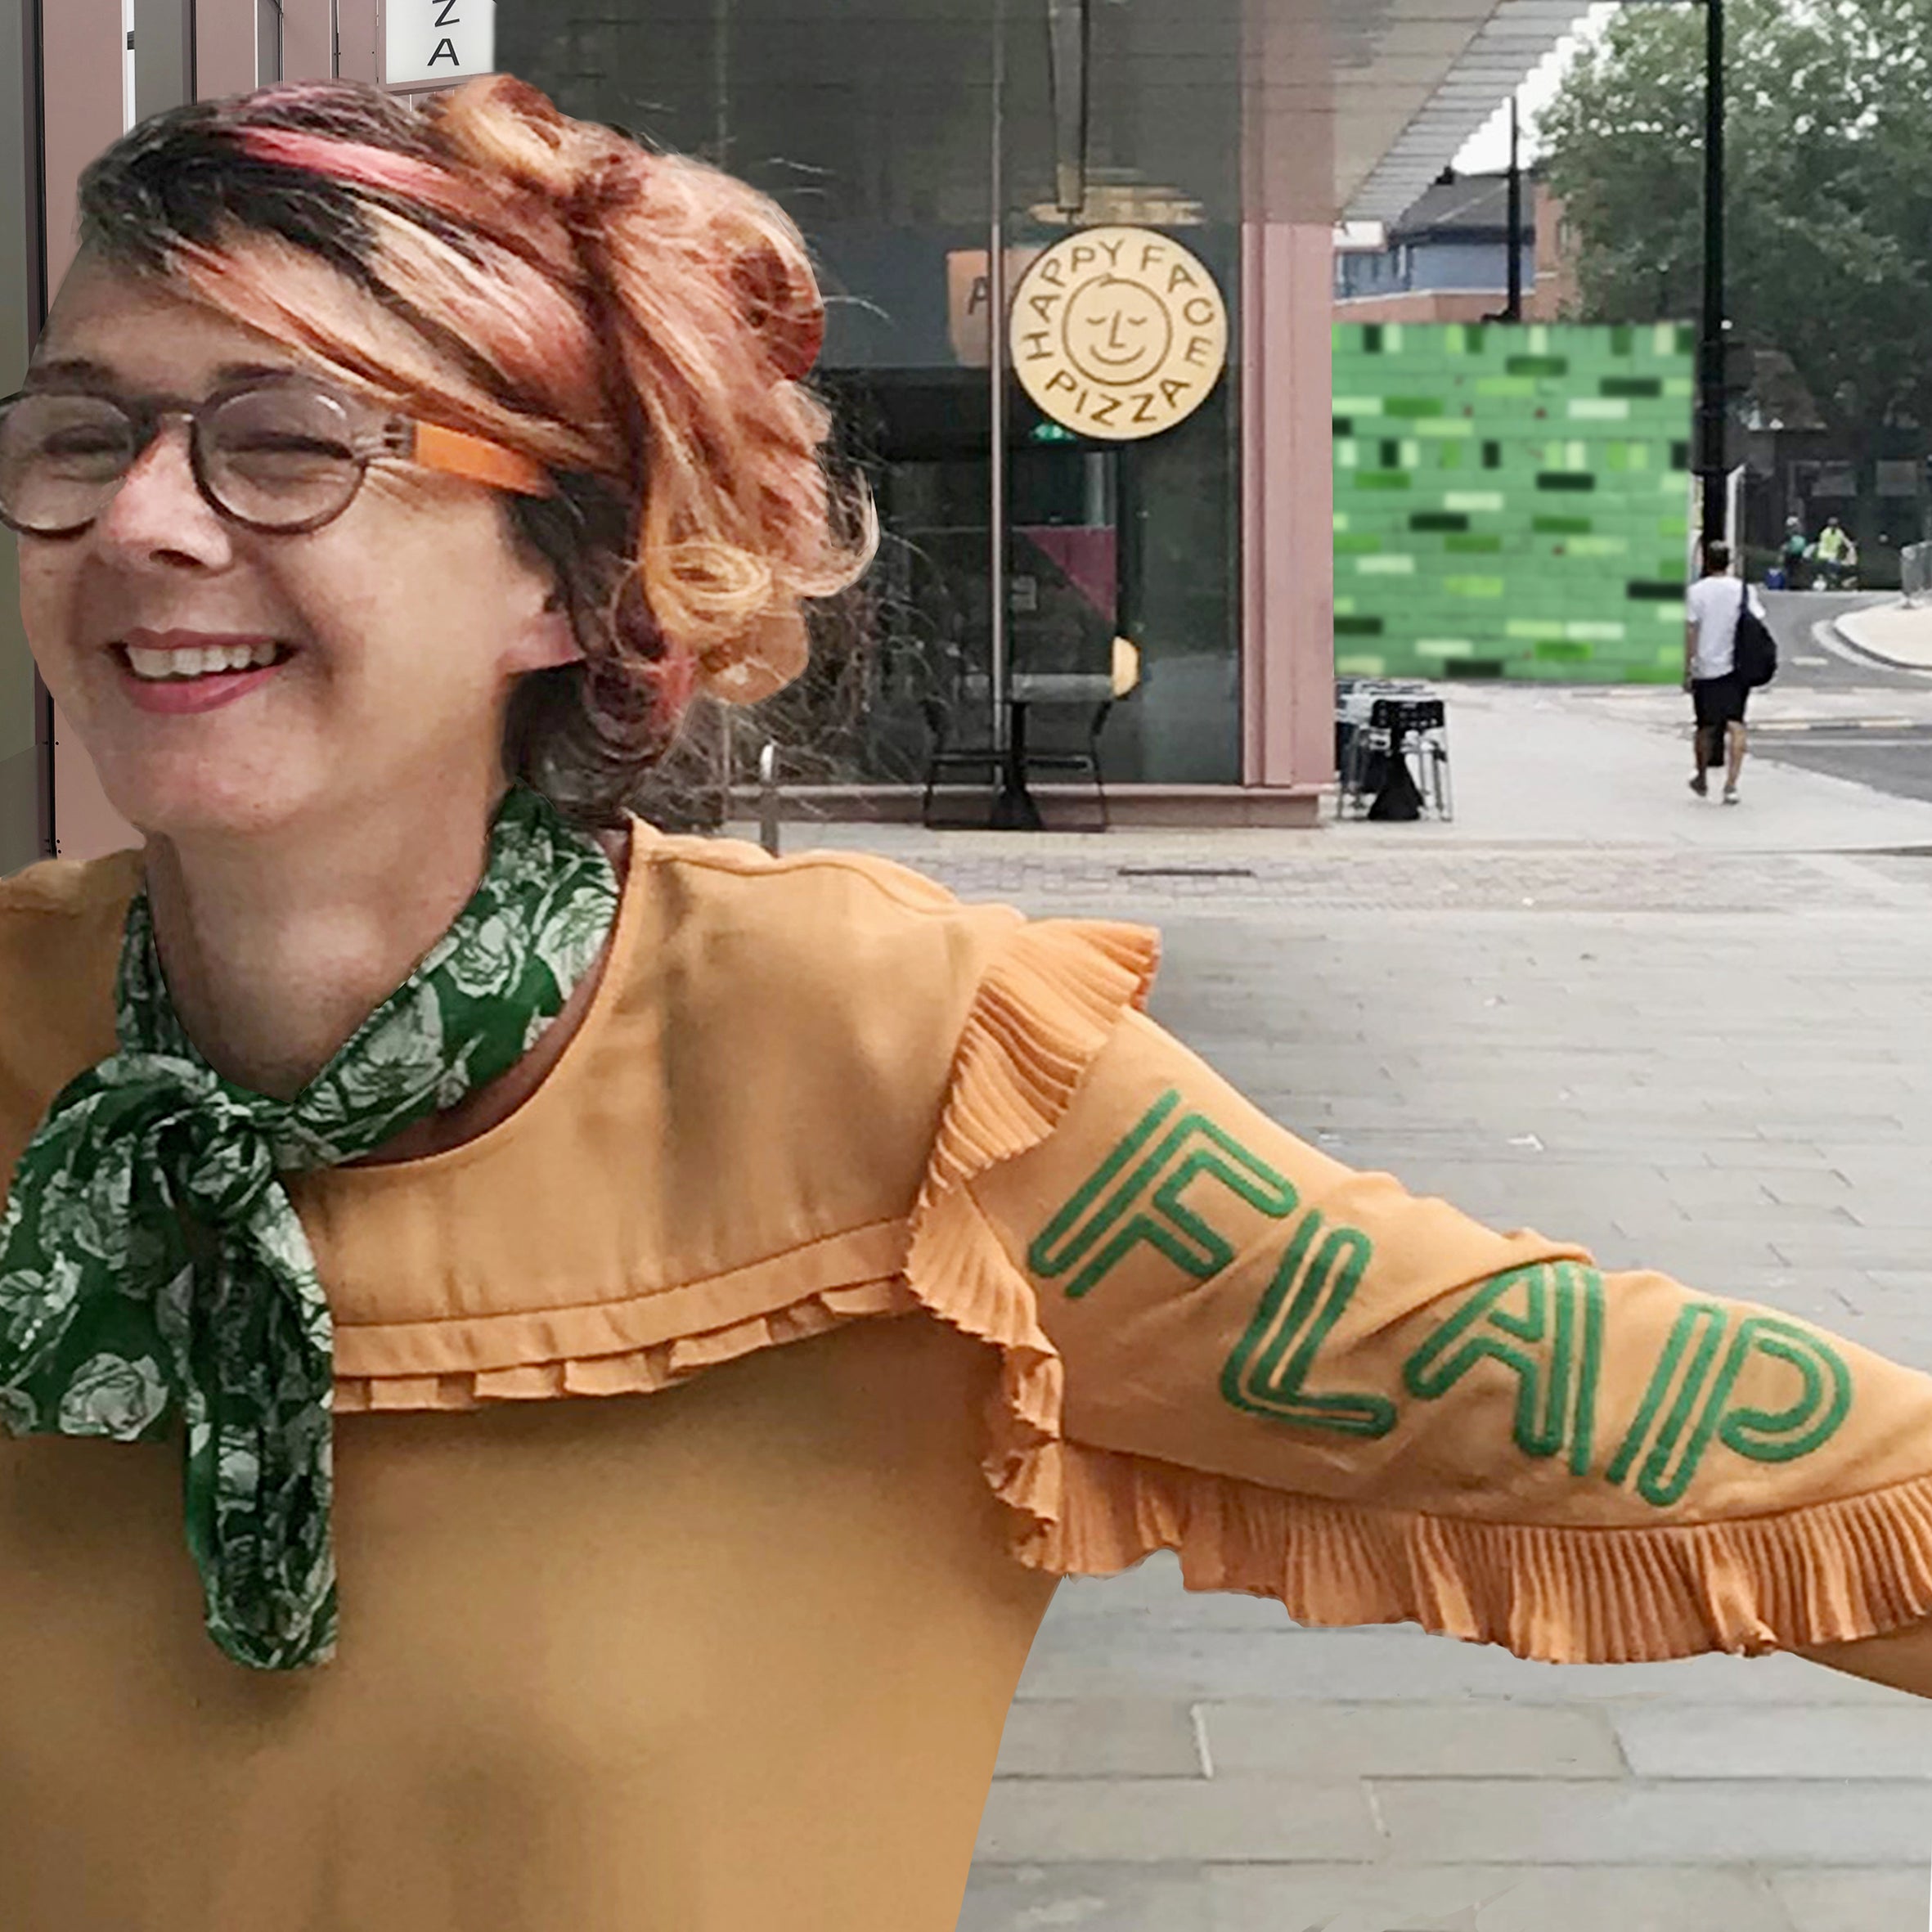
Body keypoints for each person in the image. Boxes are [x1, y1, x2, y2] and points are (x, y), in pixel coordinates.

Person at [9, 78, 1932, 1932]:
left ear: (575, 576)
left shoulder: (895, 1072)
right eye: (83, 436)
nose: (141, 521)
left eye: (287, 441)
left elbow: (1583, 1399)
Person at [1683, 538, 1759, 805]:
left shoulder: (1696, 592)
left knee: (1705, 727)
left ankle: (1702, 777)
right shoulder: (1744, 591)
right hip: (1737, 669)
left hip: (1706, 668)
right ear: (1729, 562)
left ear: (1706, 562)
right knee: (1736, 724)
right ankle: (1731, 785)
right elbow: (1756, 621)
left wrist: (1687, 667)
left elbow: (1691, 631)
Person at [1815, 513, 1858, 589]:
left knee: (1840, 567)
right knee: (1835, 566)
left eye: (1835, 526)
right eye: (1832, 526)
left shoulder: (1839, 532)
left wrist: (1851, 546)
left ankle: (1833, 581)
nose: (1833, 528)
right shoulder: (1825, 533)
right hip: (1825, 556)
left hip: (1832, 556)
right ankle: (1831, 581)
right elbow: (1824, 546)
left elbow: (1846, 541)